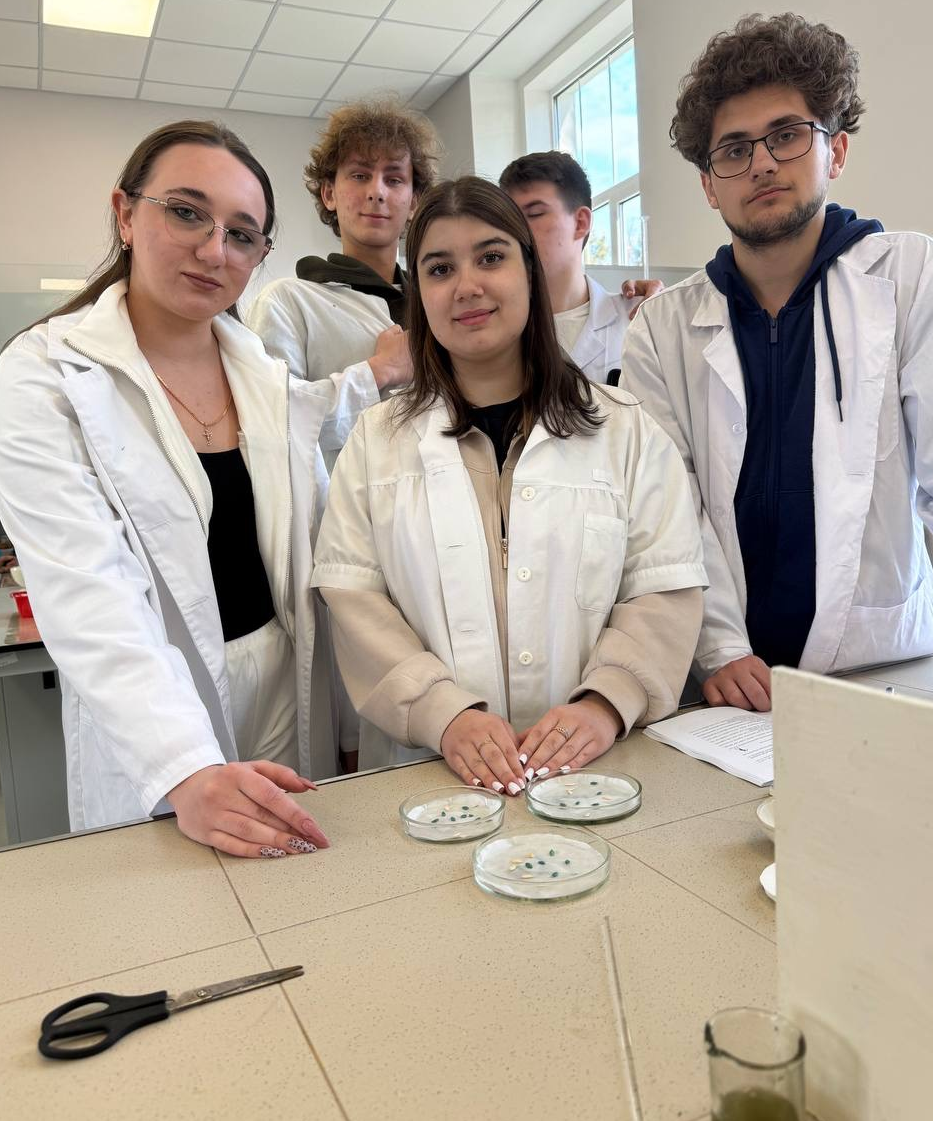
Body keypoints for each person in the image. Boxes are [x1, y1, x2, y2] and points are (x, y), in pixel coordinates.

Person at [0, 120, 339, 858]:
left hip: (281, 681)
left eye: (242, 235)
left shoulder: (267, 377)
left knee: (299, 883)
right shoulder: (46, 373)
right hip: (150, 707)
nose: (215, 251)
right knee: (181, 901)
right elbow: (85, 591)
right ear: (125, 214)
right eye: (186, 212)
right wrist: (184, 765)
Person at [311, 176, 707, 788]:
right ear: (420, 294)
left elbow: (663, 587)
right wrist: (443, 713)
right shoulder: (375, 441)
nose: (467, 286)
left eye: (491, 258)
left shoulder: (625, 430)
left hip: (593, 767)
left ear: (528, 270)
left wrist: (606, 702)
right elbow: (354, 599)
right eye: (440, 269)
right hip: (431, 773)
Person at [621, 14, 933, 711]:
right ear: (709, 185)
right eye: (734, 149)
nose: (763, 163)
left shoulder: (913, 277)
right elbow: (666, 510)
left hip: (884, 669)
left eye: (787, 135)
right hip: (726, 687)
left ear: (836, 151)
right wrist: (719, 648)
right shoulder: (662, 328)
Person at [247, 99, 441, 452]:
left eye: (394, 179)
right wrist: (379, 371)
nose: (377, 192)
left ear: (414, 202)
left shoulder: (439, 307)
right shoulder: (289, 303)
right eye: (360, 175)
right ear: (329, 193)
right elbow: (272, 428)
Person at [498, 151, 663, 384]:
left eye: (534, 214)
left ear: (580, 223)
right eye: (508, 219)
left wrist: (670, 307)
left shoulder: (638, 318)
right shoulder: (495, 327)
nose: (516, 230)